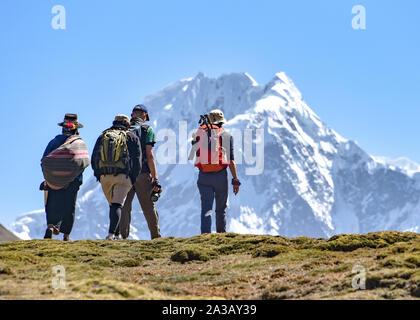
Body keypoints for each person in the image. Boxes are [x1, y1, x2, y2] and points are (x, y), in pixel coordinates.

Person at [191, 109, 241, 234]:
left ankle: (205, 236)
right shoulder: (226, 135)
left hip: (203, 175)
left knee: (206, 208)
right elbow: (231, 160)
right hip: (220, 175)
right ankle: (221, 235)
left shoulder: (199, 133)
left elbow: (194, 152)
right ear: (221, 122)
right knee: (221, 209)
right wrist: (235, 179)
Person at [91, 115, 141, 240]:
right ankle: (111, 234)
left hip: (105, 176)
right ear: (127, 124)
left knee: (113, 205)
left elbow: (94, 158)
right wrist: (132, 178)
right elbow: (137, 160)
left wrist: (99, 175)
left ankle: (117, 234)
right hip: (123, 176)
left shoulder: (103, 136)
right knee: (117, 205)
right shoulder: (131, 137)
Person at [41, 114, 90, 241]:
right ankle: (66, 235)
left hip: (54, 179)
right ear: (76, 128)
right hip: (73, 180)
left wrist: (49, 177)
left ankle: (51, 227)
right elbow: (84, 162)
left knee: (53, 203)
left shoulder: (54, 142)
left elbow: (44, 160)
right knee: (69, 206)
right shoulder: (79, 143)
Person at [117, 105, 162, 240]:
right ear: (144, 116)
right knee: (148, 206)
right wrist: (155, 178)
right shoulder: (147, 129)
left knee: (124, 207)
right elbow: (149, 155)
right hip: (142, 174)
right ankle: (155, 237)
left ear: (132, 115)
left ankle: (122, 237)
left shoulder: (122, 130)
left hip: (124, 174)